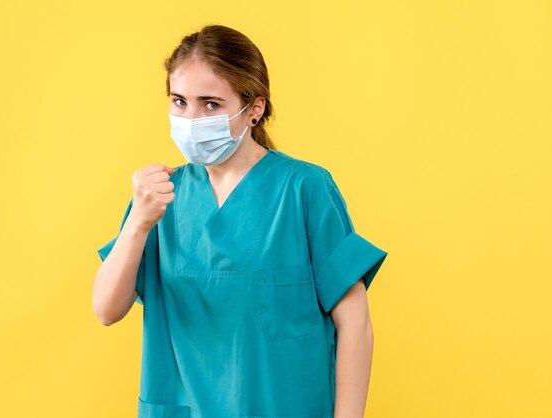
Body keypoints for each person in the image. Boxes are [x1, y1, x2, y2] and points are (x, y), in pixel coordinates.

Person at [93, 24, 388, 418]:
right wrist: (137, 225)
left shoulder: (304, 189)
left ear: (255, 109)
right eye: (179, 101)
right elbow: (106, 310)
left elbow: (355, 323)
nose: (191, 118)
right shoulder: (160, 197)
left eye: (210, 104)